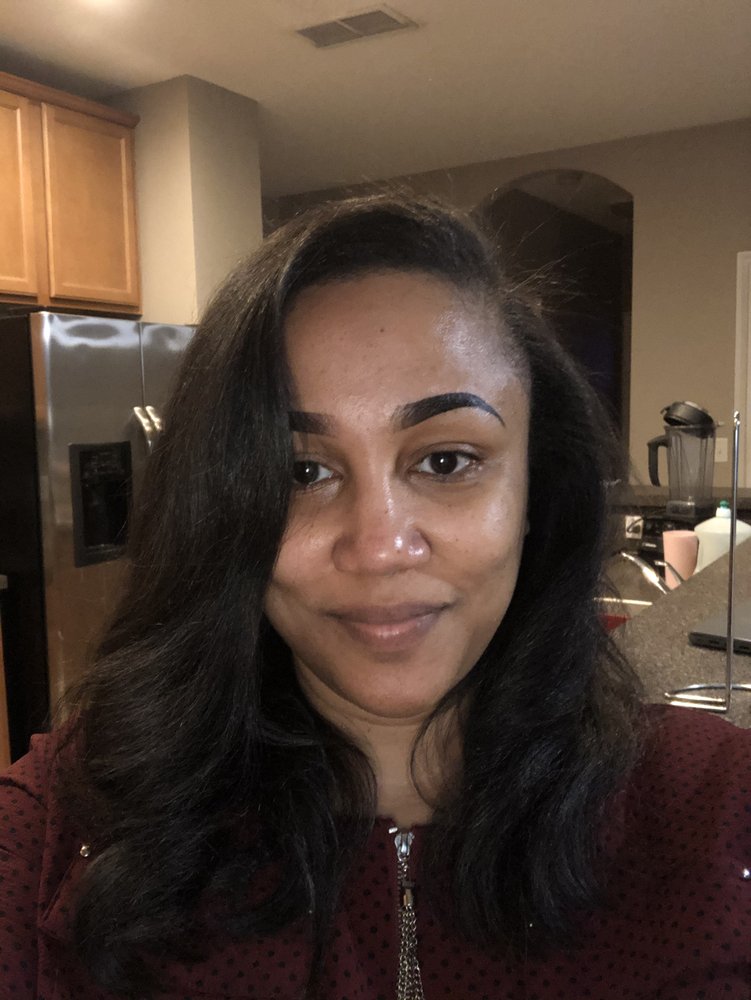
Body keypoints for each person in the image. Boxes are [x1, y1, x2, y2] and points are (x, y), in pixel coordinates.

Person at [1, 193, 749, 1000]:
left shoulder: (715, 817)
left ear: (535, 490)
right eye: (302, 472)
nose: (379, 547)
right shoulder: (58, 832)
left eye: (446, 461)